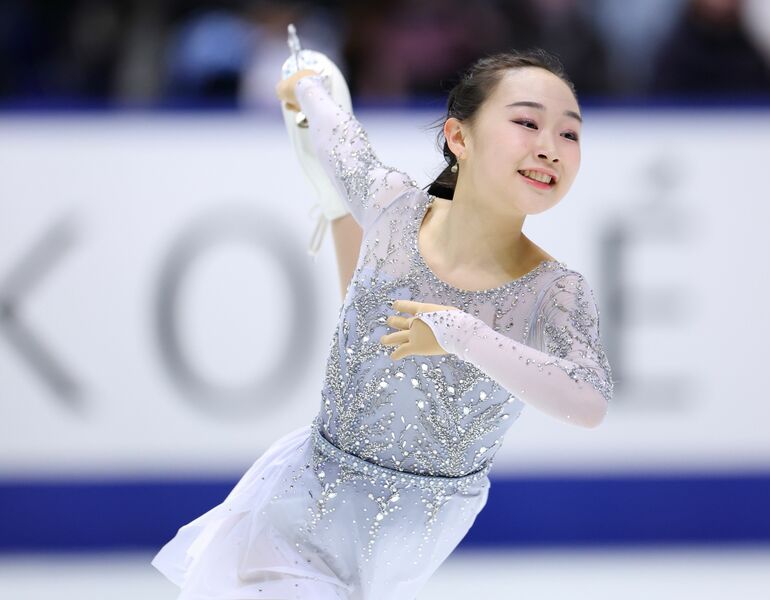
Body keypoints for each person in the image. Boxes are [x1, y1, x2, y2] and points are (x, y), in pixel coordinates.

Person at [151, 47, 614, 600]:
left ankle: (336, 214)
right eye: (527, 123)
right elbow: (341, 142)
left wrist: (462, 334)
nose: (550, 147)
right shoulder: (396, 208)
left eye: (570, 134)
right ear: (459, 137)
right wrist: (306, 85)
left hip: (405, 552)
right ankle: (336, 211)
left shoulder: (556, 293)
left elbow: (589, 400)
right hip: (302, 516)